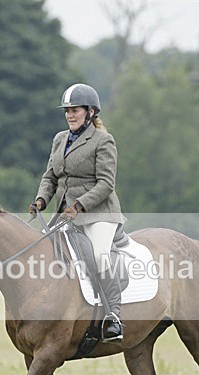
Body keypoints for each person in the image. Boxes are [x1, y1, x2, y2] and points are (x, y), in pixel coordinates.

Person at [28, 83, 126, 342]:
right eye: (67, 111)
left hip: (98, 214)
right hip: (65, 215)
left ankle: (114, 316)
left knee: (100, 255)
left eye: (75, 110)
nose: (70, 115)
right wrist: (41, 199)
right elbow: (50, 176)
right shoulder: (60, 139)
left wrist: (80, 205)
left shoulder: (103, 140)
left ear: (90, 112)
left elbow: (106, 184)